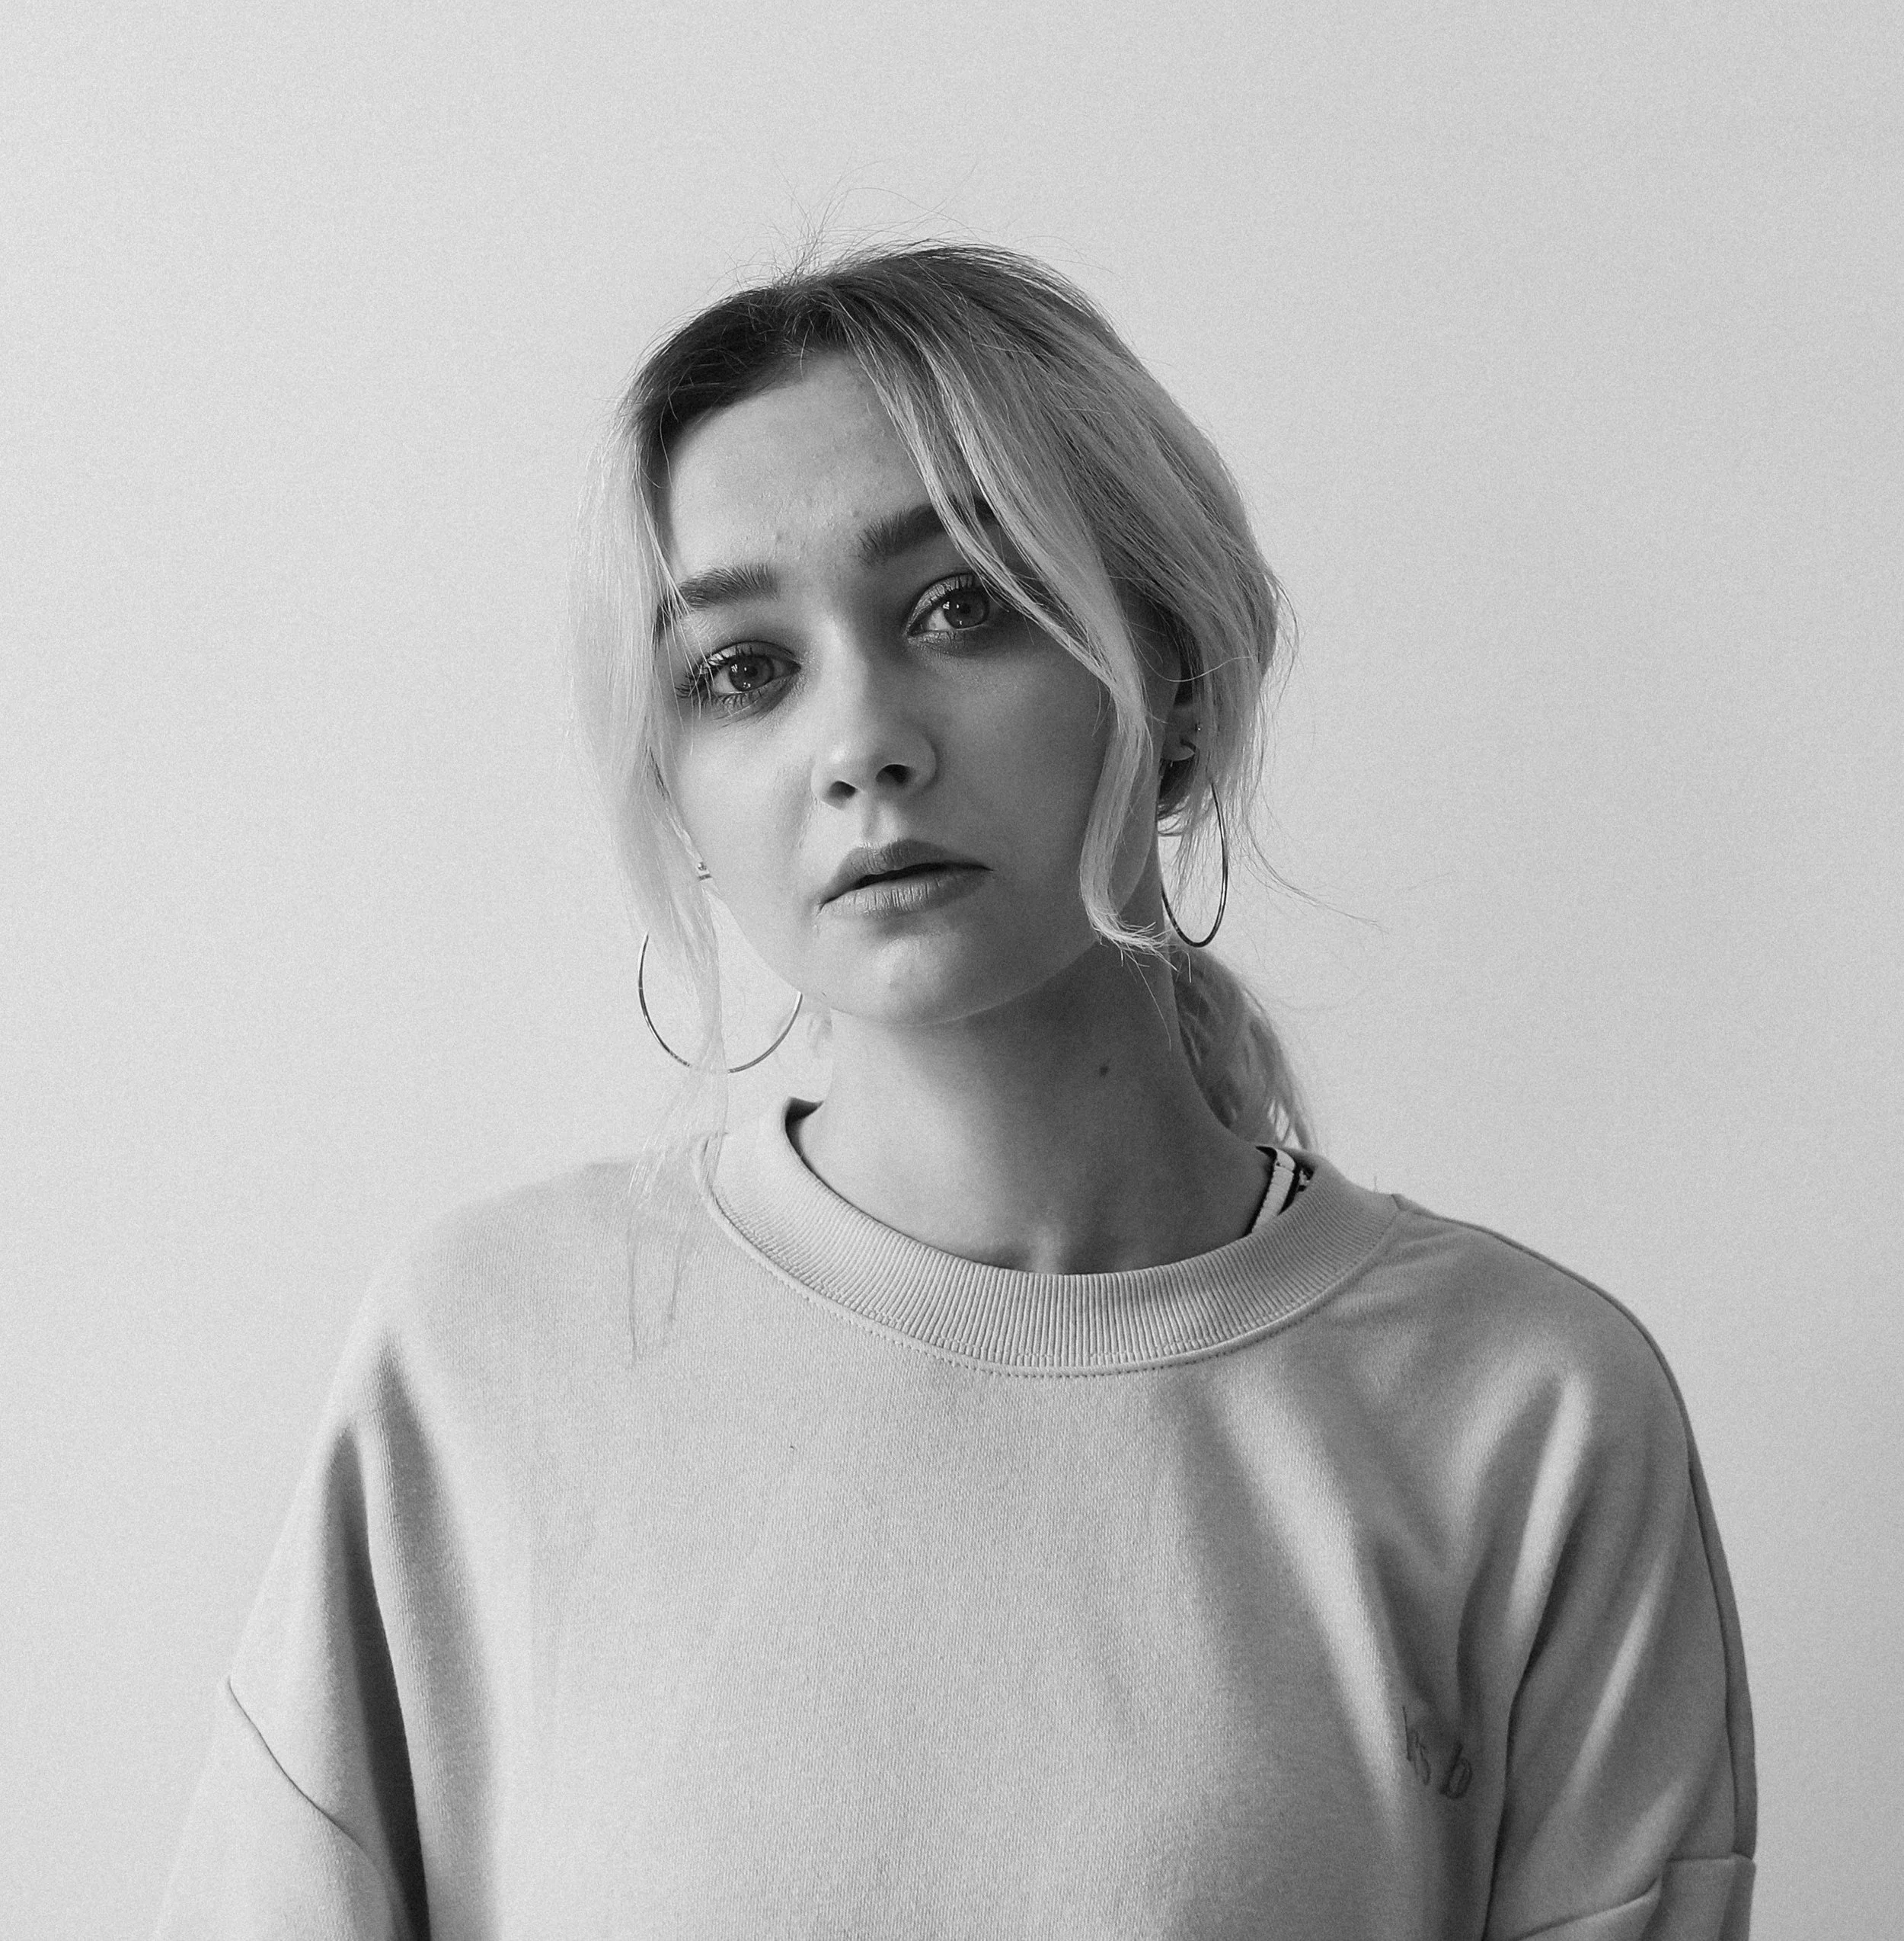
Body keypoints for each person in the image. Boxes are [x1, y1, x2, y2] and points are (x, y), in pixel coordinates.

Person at [155, 244, 1755, 1939]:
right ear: (682, 797)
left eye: (956, 605)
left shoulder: (1527, 1409)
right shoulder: (485, 1356)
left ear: (1177, 686)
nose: (860, 739)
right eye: (742, 668)